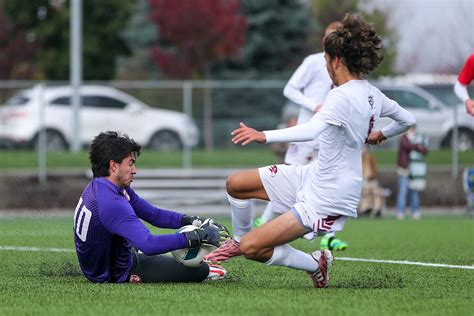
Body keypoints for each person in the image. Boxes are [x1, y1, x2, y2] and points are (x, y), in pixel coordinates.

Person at [204, 13, 416, 288]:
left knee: (254, 248)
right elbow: (407, 120)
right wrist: (380, 134)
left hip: (331, 195)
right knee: (236, 184)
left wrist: (263, 135)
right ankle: (238, 240)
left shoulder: (341, 96)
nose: (325, 65)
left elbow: (312, 130)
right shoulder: (371, 93)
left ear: (336, 60)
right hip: (313, 175)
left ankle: (316, 265)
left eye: (326, 60)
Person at [73, 131, 230, 283]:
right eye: (130, 163)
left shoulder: (103, 184)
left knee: (137, 241)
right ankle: (208, 270)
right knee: (201, 271)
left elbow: (153, 214)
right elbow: (149, 244)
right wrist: (195, 237)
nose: (135, 170)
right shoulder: (112, 202)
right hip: (114, 272)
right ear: (113, 166)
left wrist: (189, 221)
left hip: (102, 260)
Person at [254, 21, 349, 252]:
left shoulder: (346, 65)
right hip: (307, 130)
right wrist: (313, 104)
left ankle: (329, 234)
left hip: (332, 131)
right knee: (287, 176)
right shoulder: (313, 62)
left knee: (332, 178)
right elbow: (290, 89)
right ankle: (263, 222)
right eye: (330, 37)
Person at [395, 126, 429, 220]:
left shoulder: (417, 138)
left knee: (414, 192)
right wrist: (417, 146)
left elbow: (425, 150)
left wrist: (420, 147)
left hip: (414, 170)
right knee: (403, 191)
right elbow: (407, 146)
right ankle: (400, 211)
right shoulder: (404, 138)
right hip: (404, 169)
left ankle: (415, 211)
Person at [359, 145, 385, 217]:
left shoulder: (370, 158)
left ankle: (376, 209)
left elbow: (373, 170)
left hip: (371, 179)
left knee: (375, 194)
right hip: (365, 180)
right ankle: (365, 209)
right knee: (365, 194)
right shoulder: (361, 159)